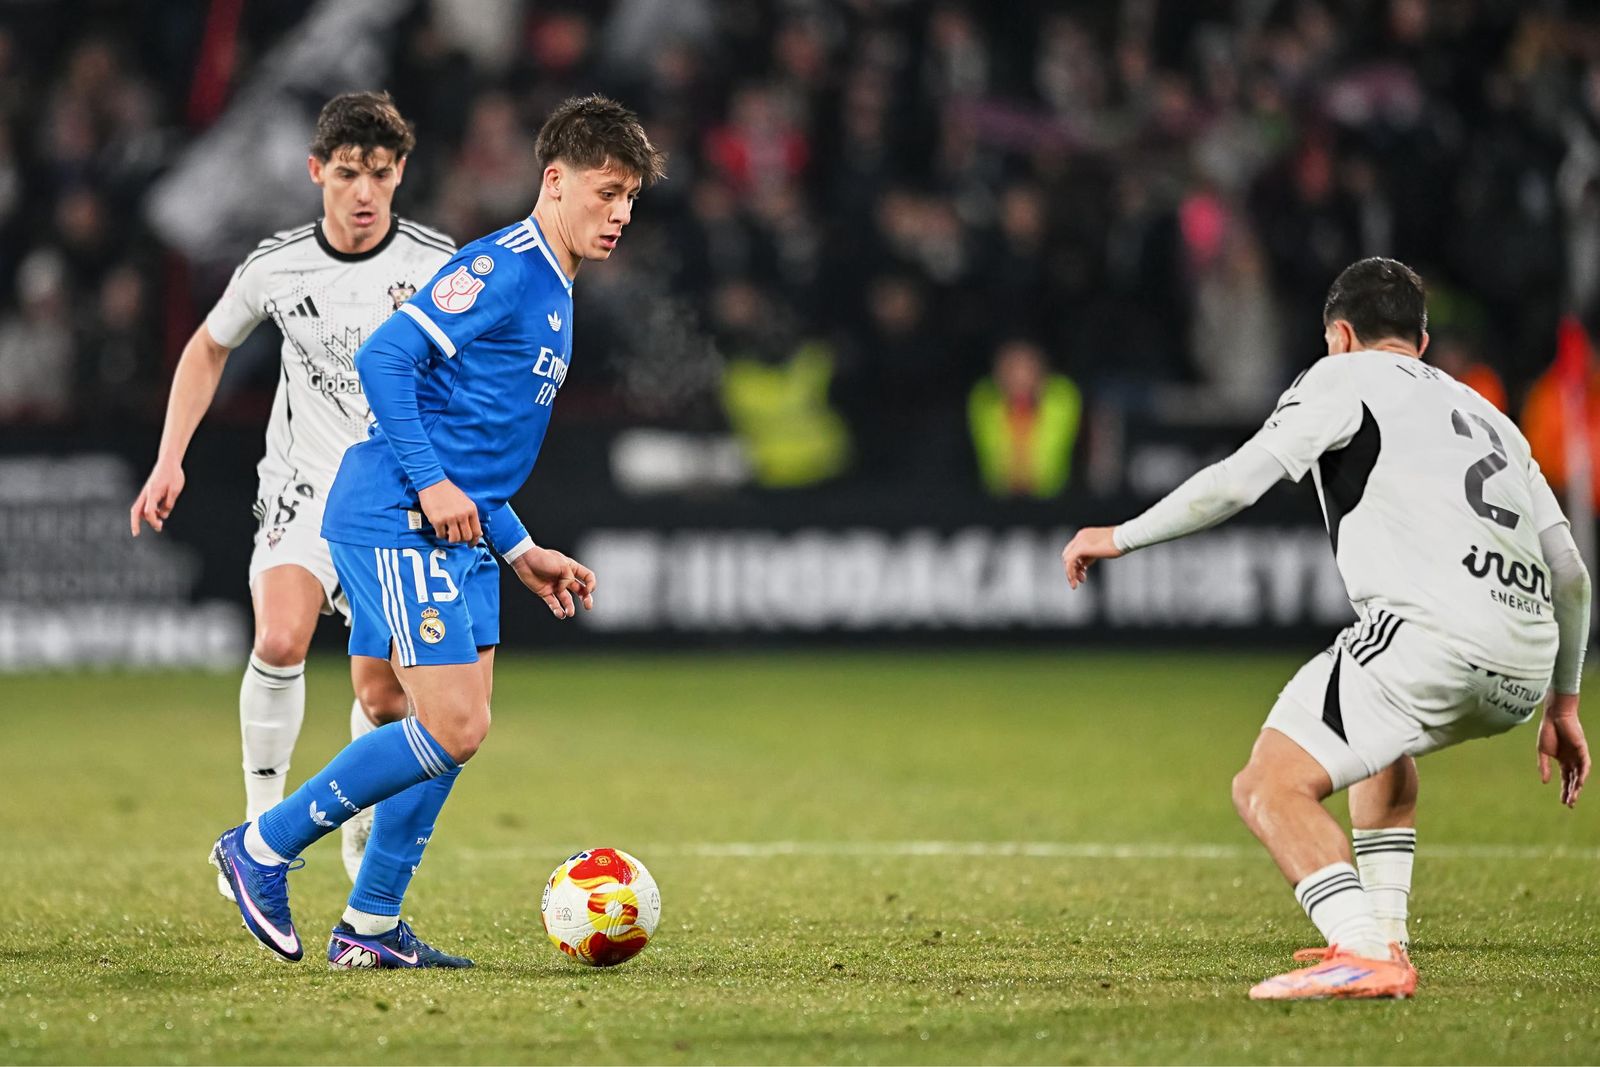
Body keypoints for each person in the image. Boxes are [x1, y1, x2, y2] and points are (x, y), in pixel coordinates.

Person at [209, 94, 666, 969]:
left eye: (632, 200)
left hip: (462, 531)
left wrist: (520, 545)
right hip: (395, 514)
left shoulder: (559, 288)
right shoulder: (505, 268)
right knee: (449, 724)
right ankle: (262, 846)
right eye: (607, 192)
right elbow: (386, 357)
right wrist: (431, 484)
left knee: (445, 723)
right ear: (555, 179)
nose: (620, 214)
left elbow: (476, 446)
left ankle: (370, 926)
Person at [1061, 257, 1591, 1000]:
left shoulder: (1340, 376)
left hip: (1432, 634)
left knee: (1267, 786)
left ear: (1339, 336)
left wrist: (1118, 534)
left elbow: (1240, 479)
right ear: (1423, 341)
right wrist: (1563, 706)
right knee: (1380, 743)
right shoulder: (1490, 415)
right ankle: (1387, 933)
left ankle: (1361, 948)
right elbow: (1571, 574)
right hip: (1526, 663)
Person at [130, 92, 456, 897]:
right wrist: (170, 458)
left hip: (391, 496)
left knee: (383, 699)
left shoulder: (435, 262)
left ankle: (355, 835)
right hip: (305, 484)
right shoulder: (276, 264)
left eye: (379, 174)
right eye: (347, 173)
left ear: (400, 174)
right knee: (279, 640)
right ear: (317, 173)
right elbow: (207, 349)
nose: (363, 192)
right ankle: (259, 831)